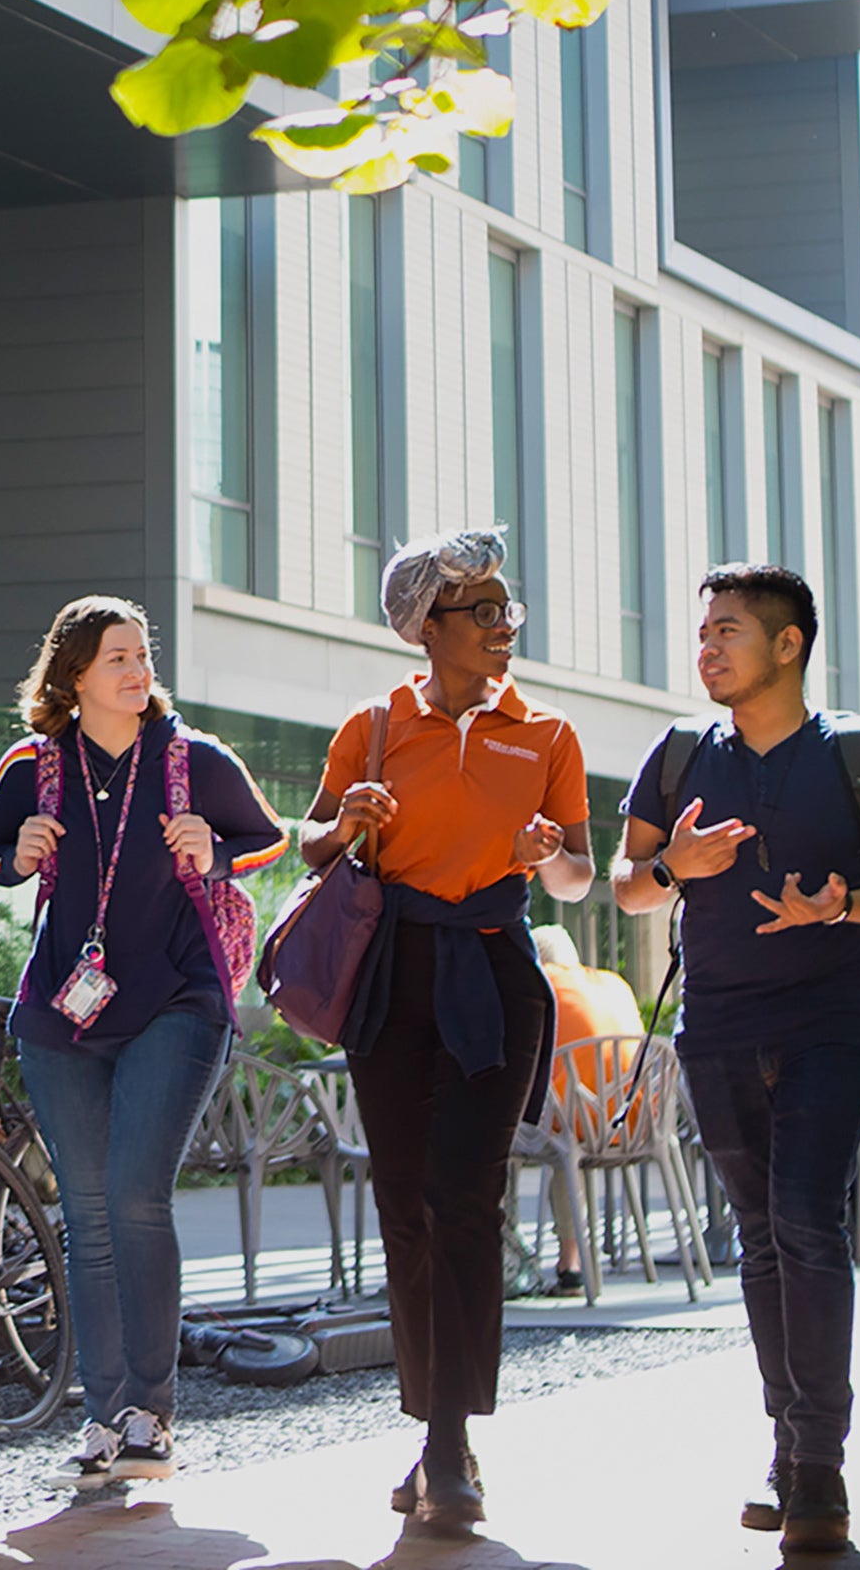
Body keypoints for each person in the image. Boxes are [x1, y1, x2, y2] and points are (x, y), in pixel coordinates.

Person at [612, 564, 860, 1553]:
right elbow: (630, 887)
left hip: (828, 1022)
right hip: (715, 1025)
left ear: (788, 644)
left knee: (807, 1222)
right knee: (761, 1238)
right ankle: (788, 1447)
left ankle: (821, 1468)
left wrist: (846, 904)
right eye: (704, 631)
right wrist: (679, 865)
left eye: (727, 630)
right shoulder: (676, 758)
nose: (707, 648)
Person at [296, 529, 594, 1534]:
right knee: (407, 1204)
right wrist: (348, 826)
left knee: (466, 1198)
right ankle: (434, 1431)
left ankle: (448, 1442)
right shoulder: (374, 724)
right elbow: (311, 841)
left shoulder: (546, 733)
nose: (506, 628)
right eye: (486, 612)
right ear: (428, 626)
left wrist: (541, 854)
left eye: (510, 611)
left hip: (498, 971)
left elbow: (577, 878)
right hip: (392, 973)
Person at [0, 595, 287, 1491]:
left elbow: (268, 837)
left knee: (136, 1199)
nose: (137, 669)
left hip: (178, 1002)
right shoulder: (35, 767)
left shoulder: (193, 760)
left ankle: (151, 1414)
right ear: (74, 676)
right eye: (117, 657)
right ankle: (105, 1419)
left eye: (142, 654)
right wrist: (18, 852)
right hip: (63, 1013)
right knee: (89, 1212)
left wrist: (213, 848)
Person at [527, 924, 643, 1291]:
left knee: (504, 1137)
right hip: (638, 1122)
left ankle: (513, 1261)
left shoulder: (542, 986)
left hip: (578, 1124)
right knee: (564, 1127)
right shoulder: (613, 984)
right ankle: (572, 1262)